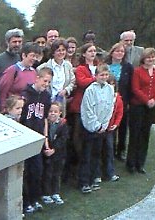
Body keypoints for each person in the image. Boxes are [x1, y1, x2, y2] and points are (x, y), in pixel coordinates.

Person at [126, 48, 155, 174]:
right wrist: (146, 100)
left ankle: (140, 163)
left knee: (145, 134)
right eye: (148, 57)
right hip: (138, 106)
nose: (151, 59)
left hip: (151, 107)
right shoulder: (137, 71)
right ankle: (131, 163)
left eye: (152, 57)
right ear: (143, 59)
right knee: (135, 134)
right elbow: (135, 88)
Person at [20, 67, 52, 214]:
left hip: (38, 137)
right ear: (37, 78)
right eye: (45, 80)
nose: (46, 84)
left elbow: (44, 118)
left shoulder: (46, 96)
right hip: (26, 138)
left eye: (49, 82)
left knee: (37, 171)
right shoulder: (25, 94)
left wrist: (45, 140)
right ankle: (25, 202)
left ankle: (34, 199)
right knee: (25, 172)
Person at [79, 64, 114, 193]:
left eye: (106, 75)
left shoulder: (109, 89)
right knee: (86, 155)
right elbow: (87, 109)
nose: (104, 77)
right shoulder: (90, 90)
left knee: (96, 154)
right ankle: (84, 182)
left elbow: (110, 107)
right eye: (101, 75)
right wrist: (96, 125)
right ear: (96, 76)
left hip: (102, 127)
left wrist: (104, 124)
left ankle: (94, 178)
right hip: (90, 127)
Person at [65, 43, 97, 182]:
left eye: (94, 51)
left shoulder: (97, 66)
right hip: (79, 107)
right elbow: (82, 82)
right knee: (77, 138)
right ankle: (76, 166)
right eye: (90, 51)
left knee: (90, 138)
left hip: (93, 107)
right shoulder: (81, 68)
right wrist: (97, 78)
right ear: (84, 54)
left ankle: (89, 167)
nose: (92, 53)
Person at [104, 42, 134, 161]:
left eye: (122, 51)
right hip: (107, 101)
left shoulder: (128, 67)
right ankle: (108, 150)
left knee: (122, 127)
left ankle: (120, 150)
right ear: (112, 52)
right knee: (109, 126)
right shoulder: (106, 66)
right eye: (117, 51)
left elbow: (131, 86)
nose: (119, 53)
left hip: (123, 101)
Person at [37, 38, 76, 118]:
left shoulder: (68, 66)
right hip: (46, 100)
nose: (61, 52)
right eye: (58, 50)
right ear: (53, 52)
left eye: (63, 50)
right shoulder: (43, 67)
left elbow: (72, 81)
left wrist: (66, 90)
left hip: (61, 102)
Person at [95, 74, 122, 184]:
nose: (111, 86)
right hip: (100, 128)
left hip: (110, 130)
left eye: (113, 84)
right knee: (97, 151)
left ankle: (110, 173)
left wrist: (116, 124)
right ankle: (97, 174)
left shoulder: (118, 98)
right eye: (108, 84)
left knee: (109, 151)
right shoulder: (100, 96)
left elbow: (119, 113)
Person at [0, 42, 41, 112]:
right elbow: (2, 90)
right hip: (12, 110)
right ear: (24, 55)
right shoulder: (13, 70)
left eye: (36, 56)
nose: (34, 59)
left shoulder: (34, 72)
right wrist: (2, 108)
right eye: (32, 56)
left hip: (27, 111)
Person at [41, 102, 68, 205]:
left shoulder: (63, 124)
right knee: (47, 174)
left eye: (55, 112)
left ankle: (55, 192)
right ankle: (46, 193)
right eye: (50, 111)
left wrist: (54, 149)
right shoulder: (45, 123)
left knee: (56, 174)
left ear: (60, 113)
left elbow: (63, 139)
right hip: (47, 154)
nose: (52, 114)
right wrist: (47, 149)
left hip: (59, 154)